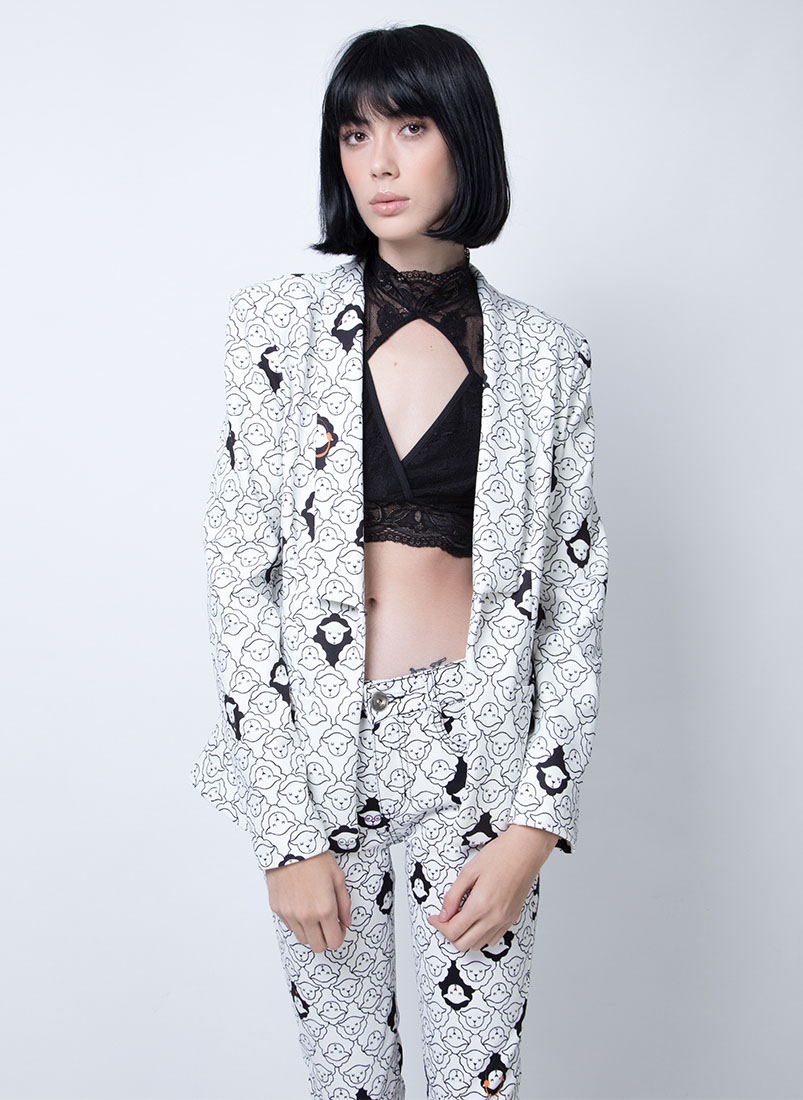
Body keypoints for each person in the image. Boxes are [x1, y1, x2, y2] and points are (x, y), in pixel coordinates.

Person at [191, 23, 609, 1100]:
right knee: (350, 1086)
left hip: (477, 754)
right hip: (317, 761)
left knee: (478, 1086)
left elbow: (572, 605)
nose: (378, 162)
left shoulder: (548, 359)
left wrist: (534, 824)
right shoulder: (276, 330)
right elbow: (238, 580)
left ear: (464, 139)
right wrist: (284, 832)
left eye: (410, 128)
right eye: (354, 134)